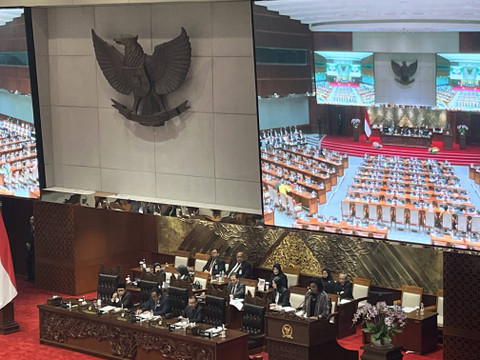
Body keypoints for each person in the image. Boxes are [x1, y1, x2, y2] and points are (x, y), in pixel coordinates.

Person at [26, 215, 35, 282]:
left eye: (32, 219)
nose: (31, 221)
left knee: (34, 264)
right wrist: (27, 243)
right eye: (30, 219)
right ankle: (30, 276)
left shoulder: (37, 229)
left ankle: (34, 278)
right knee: (28, 262)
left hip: (35, 249)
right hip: (29, 249)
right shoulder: (29, 228)